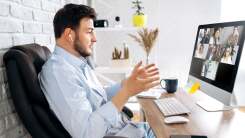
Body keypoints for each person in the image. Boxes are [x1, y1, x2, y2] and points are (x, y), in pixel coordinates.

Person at [38, 4, 160, 138]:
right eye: (89, 31)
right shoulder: (59, 73)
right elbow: (87, 133)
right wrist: (126, 92)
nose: (95, 38)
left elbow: (99, 97)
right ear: (69, 35)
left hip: (130, 128)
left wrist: (125, 84)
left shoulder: (77, 64)